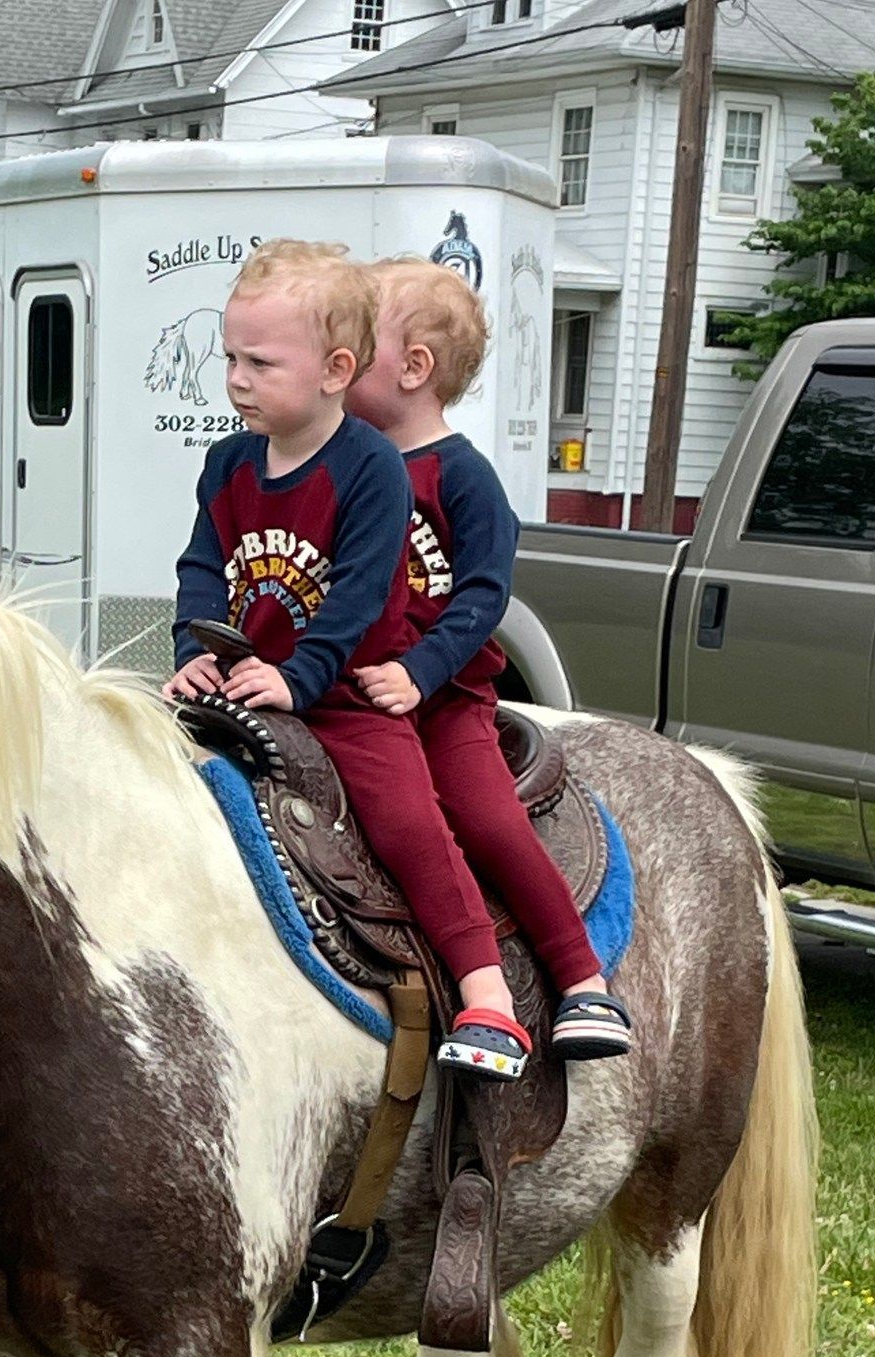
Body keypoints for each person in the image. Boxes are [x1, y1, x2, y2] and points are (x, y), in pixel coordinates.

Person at [165, 239, 531, 1079]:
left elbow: (364, 591)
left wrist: (301, 677)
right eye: (230, 356)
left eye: (260, 361)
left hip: (340, 698)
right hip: (245, 683)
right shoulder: (228, 461)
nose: (236, 378)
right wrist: (196, 649)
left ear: (335, 369)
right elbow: (201, 564)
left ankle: (488, 995)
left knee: (409, 826)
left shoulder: (370, 468)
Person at [345, 258, 631, 1061]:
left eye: (356, 341)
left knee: (486, 819)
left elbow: (480, 598)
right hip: (354, 699)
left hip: (443, 703)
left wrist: (421, 672)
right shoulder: (343, 468)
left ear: (413, 367)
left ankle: (583, 982)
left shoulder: (461, 477)